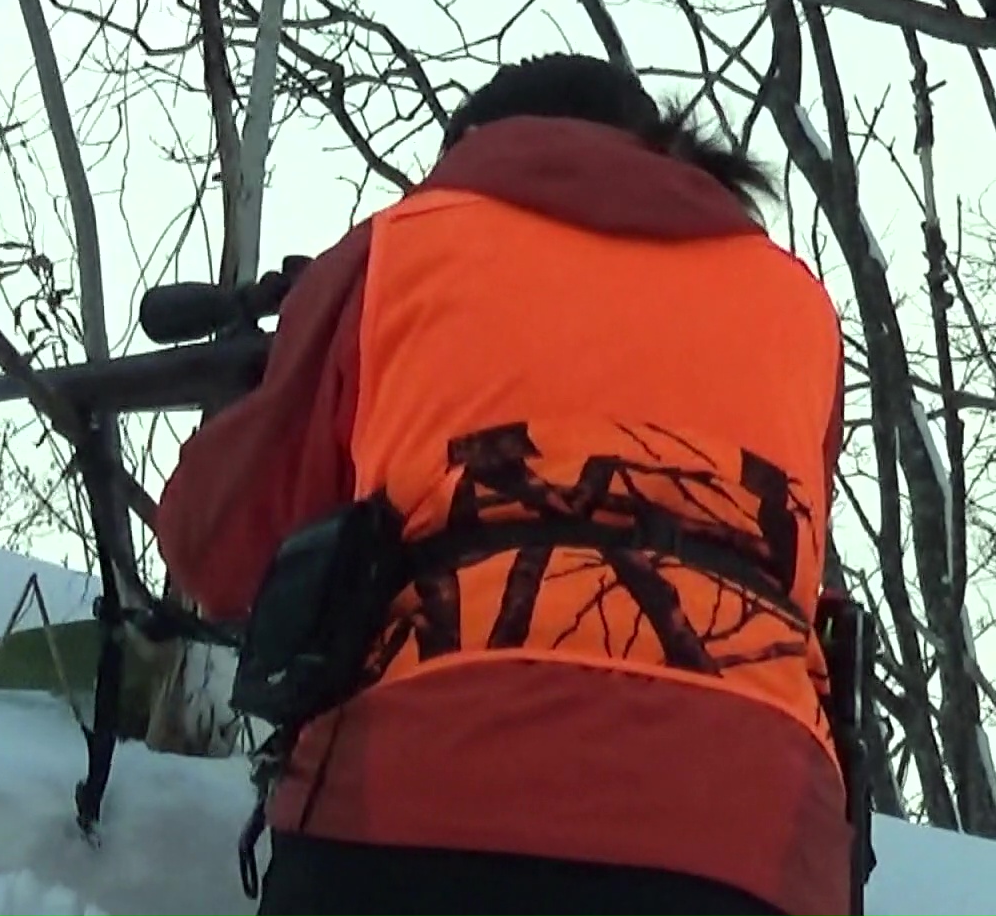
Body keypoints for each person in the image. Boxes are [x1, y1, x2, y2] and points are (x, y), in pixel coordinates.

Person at [154, 54, 851, 916]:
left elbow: (217, 546)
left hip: (417, 811)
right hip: (758, 845)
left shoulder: (398, 251)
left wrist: (286, 381)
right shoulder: (799, 309)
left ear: (471, 152)